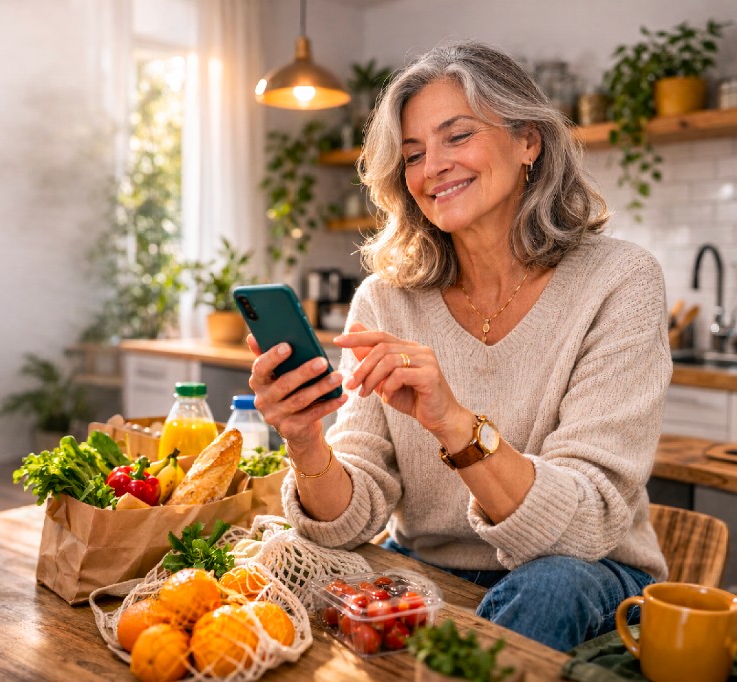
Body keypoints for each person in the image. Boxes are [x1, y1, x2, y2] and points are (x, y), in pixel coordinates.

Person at [245, 41, 669, 653]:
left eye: (457, 136)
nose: (432, 166)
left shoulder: (619, 282)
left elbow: (585, 524)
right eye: (412, 154)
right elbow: (346, 519)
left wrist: (453, 424)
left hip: (586, 574)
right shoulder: (385, 300)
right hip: (426, 568)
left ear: (529, 141)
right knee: (283, 560)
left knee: (548, 588)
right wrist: (305, 439)